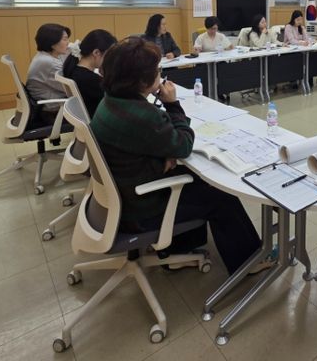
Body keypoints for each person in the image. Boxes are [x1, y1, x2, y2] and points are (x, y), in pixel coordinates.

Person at [91, 37, 269, 275]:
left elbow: (159, 144)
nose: (160, 74)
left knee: (193, 176)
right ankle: (249, 261)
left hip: (122, 193)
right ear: (142, 80)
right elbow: (183, 145)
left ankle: (178, 249)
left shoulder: (111, 101)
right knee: (221, 197)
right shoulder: (141, 115)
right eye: (157, 70)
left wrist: (165, 156)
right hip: (139, 209)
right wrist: (173, 104)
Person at [63, 29, 118, 117]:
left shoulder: (75, 70)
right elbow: (117, 100)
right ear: (96, 52)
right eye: (109, 55)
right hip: (98, 118)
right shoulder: (91, 80)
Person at [26, 23, 71, 124]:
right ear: (53, 43)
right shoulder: (50, 63)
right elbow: (70, 90)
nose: (68, 43)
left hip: (46, 105)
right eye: (65, 39)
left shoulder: (44, 56)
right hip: (51, 112)